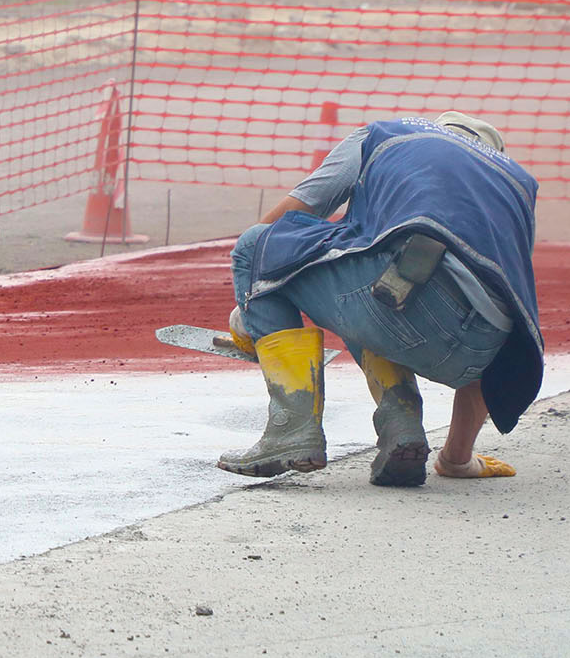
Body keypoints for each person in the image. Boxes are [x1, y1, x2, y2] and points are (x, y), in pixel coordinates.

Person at [218, 111, 541, 487]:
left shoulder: (387, 134)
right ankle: (401, 426)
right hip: (483, 357)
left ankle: (292, 430)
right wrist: (457, 460)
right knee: (388, 281)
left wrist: (254, 298)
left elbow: (294, 215)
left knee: (257, 245)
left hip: (396, 300)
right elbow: (506, 308)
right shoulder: (516, 184)